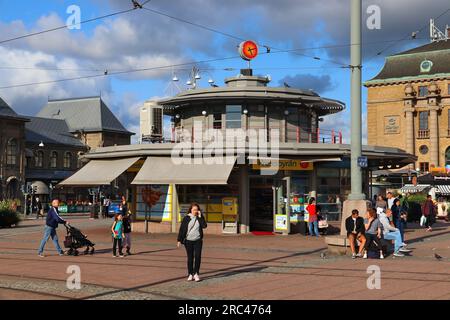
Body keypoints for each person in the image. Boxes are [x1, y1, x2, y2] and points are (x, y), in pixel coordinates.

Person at [177, 203, 207, 282]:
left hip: (198, 241)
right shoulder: (186, 218)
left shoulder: (199, 218)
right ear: (190, 210)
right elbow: (182, 229)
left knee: (197, 257)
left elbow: (204, 226)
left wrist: (200, 216)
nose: (195, 211)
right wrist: (179, 240)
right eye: (194, 210)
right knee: (190, 258)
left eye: (197, 210)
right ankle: (190, 274)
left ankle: (196, 273)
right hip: (188, 241)